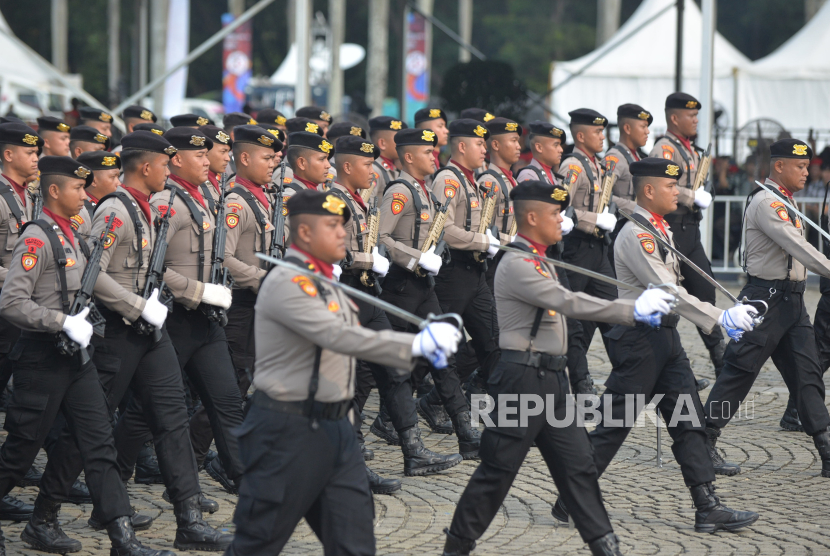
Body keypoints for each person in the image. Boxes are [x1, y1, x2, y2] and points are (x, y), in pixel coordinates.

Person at [442, 179, 676, 556]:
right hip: (520, 380)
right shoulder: (518, 263)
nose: (562, 219)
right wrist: (631, 309)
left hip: (551, 380)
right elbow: (568, 301)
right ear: (531, 217)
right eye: (555, 213)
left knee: (579, 468)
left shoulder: (541, 259)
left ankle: (605, 546)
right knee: (498, 471)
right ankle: (457, 547)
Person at [225, 188, 462, 555]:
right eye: (333, 226)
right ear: (304, 234)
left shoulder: (325, 282)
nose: (343, 234)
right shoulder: (289, 282)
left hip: (336, 429)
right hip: (290, 431)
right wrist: (414, 345)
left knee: (354, 542)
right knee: (257, 543)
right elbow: (339, 336)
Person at [37, 131, 232, 551]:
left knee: (172, 419)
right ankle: (44, 514)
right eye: (165, 163)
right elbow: (94, 271)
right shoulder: (115, 212)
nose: (170, 170)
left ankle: (188, 519)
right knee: (88, 428)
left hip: (149, 331)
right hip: (117, 332)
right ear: (146, 167)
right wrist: (134, 305)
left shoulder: (146, 209)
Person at [550, 157, 760, 535]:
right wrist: (720, 318)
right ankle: (570, 496)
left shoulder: (658, 228)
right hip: (640, 342)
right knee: (614, 425)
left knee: (688, 420)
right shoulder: (637, 234)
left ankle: (706, 505)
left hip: (665, 339)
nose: (677, 192)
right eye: (669, 186)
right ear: (648, 190)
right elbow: (669, 290)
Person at [0, 155, 174, 556]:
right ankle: (42, 523)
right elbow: (11, 302)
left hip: (76, 357)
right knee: (20, 451)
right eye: (78, 188)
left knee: (99, 444)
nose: (85, 193)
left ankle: (121, 538)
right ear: (55, 191)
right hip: (41, 358)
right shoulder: (37, 238)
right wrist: (59, 321)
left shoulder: (74, 233)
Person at [112, 127, 246, 495]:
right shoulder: (164, 203)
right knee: (144, 409)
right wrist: (198, 291)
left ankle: (243, 476)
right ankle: (114, 480)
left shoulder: (201, 196)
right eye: (199, 156)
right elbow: (151, 267)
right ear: (176, 160)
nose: (208, 161)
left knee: (227, 400)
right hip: (175, 316)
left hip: (206, 319)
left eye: (209, 154)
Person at [330, 134, 462, 482]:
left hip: (368, 292)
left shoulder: (358, 200)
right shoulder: (335, 201)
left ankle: (413, 449)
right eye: (364, 165)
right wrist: (369, 259)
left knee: (391, 370)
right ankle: (346, 449)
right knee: (352, 376)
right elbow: (334, 251)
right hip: (348, 294)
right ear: (346, 166)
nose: (373, 172)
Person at [704, 138, 830, 478]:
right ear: (779, 166)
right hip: (765, 299)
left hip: (793, 301)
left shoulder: (787, 202)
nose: (807, 172)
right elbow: (796, 246)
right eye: (800, 166)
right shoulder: (766, 202)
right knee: (739, 372)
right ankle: (704, 441)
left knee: (808, 375)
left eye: (808, 167)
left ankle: (826, 448)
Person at [188, 125, 278, 473]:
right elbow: (223, 256)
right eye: (266, 157)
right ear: (245, 158)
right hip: (241, 301)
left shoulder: (262, 195)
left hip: (261, 301)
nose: (273, 163)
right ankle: (196, 458)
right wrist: (262, 278)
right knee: (234, 384)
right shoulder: (237, 201)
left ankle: (234, 454)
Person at [421, 118, 500, 457]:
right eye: (479, 143)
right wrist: (479, 240)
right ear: (462, 146)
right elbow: (445, 230)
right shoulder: (449, 180)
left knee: (494, 342)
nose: (485, 148)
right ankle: (396, 413)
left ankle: (502, 418)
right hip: (453, 272)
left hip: (475, 273)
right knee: (442, 349)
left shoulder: (471, 181)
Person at [649, 92, 726, 377]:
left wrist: (701, 193)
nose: (695, 121)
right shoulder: (665, 149)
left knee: (705, 291)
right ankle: (670, 367)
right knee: (671, 296)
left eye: (696, 116)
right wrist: (692, 196)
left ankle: (721, 360)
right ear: (674, 118)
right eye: (690, 116)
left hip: (690, 230)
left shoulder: (691, 149)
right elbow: (661, 183)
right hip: (673, 227)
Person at [558, 109, 619, 397]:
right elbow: (562, 209)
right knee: (574, 318)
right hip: (578, 249)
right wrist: (594, 220)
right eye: (597, 132)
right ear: (580, 136)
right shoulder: (573, 165)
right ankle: (580, 383)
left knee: (611, 311)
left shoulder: (595, 165)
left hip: (598, 249)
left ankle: (627, 373)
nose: (602, 136)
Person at [604, 103, 650, 213]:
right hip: (620, 225)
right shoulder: (614, 158)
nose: (647, 131)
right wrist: (636, 208)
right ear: (628, 128)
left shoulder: (636, 156)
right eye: (643, 126)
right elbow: (602, 197)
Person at [71, 150, 121, 240]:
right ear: (94, 181)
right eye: (113, 177)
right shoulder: (79, 211)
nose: (119, 183)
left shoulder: (104, 205)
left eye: (118, 177)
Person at [368, 116, 407, 203]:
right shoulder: (374, 170)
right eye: (399, 140)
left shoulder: (391, 168)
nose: (403, 144)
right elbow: (367, 206)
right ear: (382, 143)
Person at [199, 124, 234, 212]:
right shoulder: (196, 183)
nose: (228, 158)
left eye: (228, 152)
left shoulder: (217, 180)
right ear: (206, 151)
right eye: (223, 152)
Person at [414, 107, 449, 172]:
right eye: (440, 126)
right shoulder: (420, 164)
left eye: (445, 126)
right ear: (424, 130)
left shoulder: (439, 163)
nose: (446, 131)